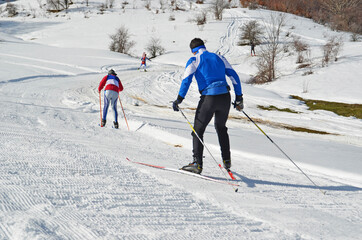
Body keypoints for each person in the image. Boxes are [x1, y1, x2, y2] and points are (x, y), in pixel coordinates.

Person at [172, 38, 244, 174]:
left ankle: (197, 164)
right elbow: (234, 76)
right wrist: (239, 97)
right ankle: (227, 160)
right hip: (225, 98)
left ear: (193, 51)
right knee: (221, 128)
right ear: (204, 46)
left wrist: (179, 99)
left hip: (209, 99)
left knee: (197, 131)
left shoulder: (194, 60)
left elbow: (186, 80)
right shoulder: (219, 57)